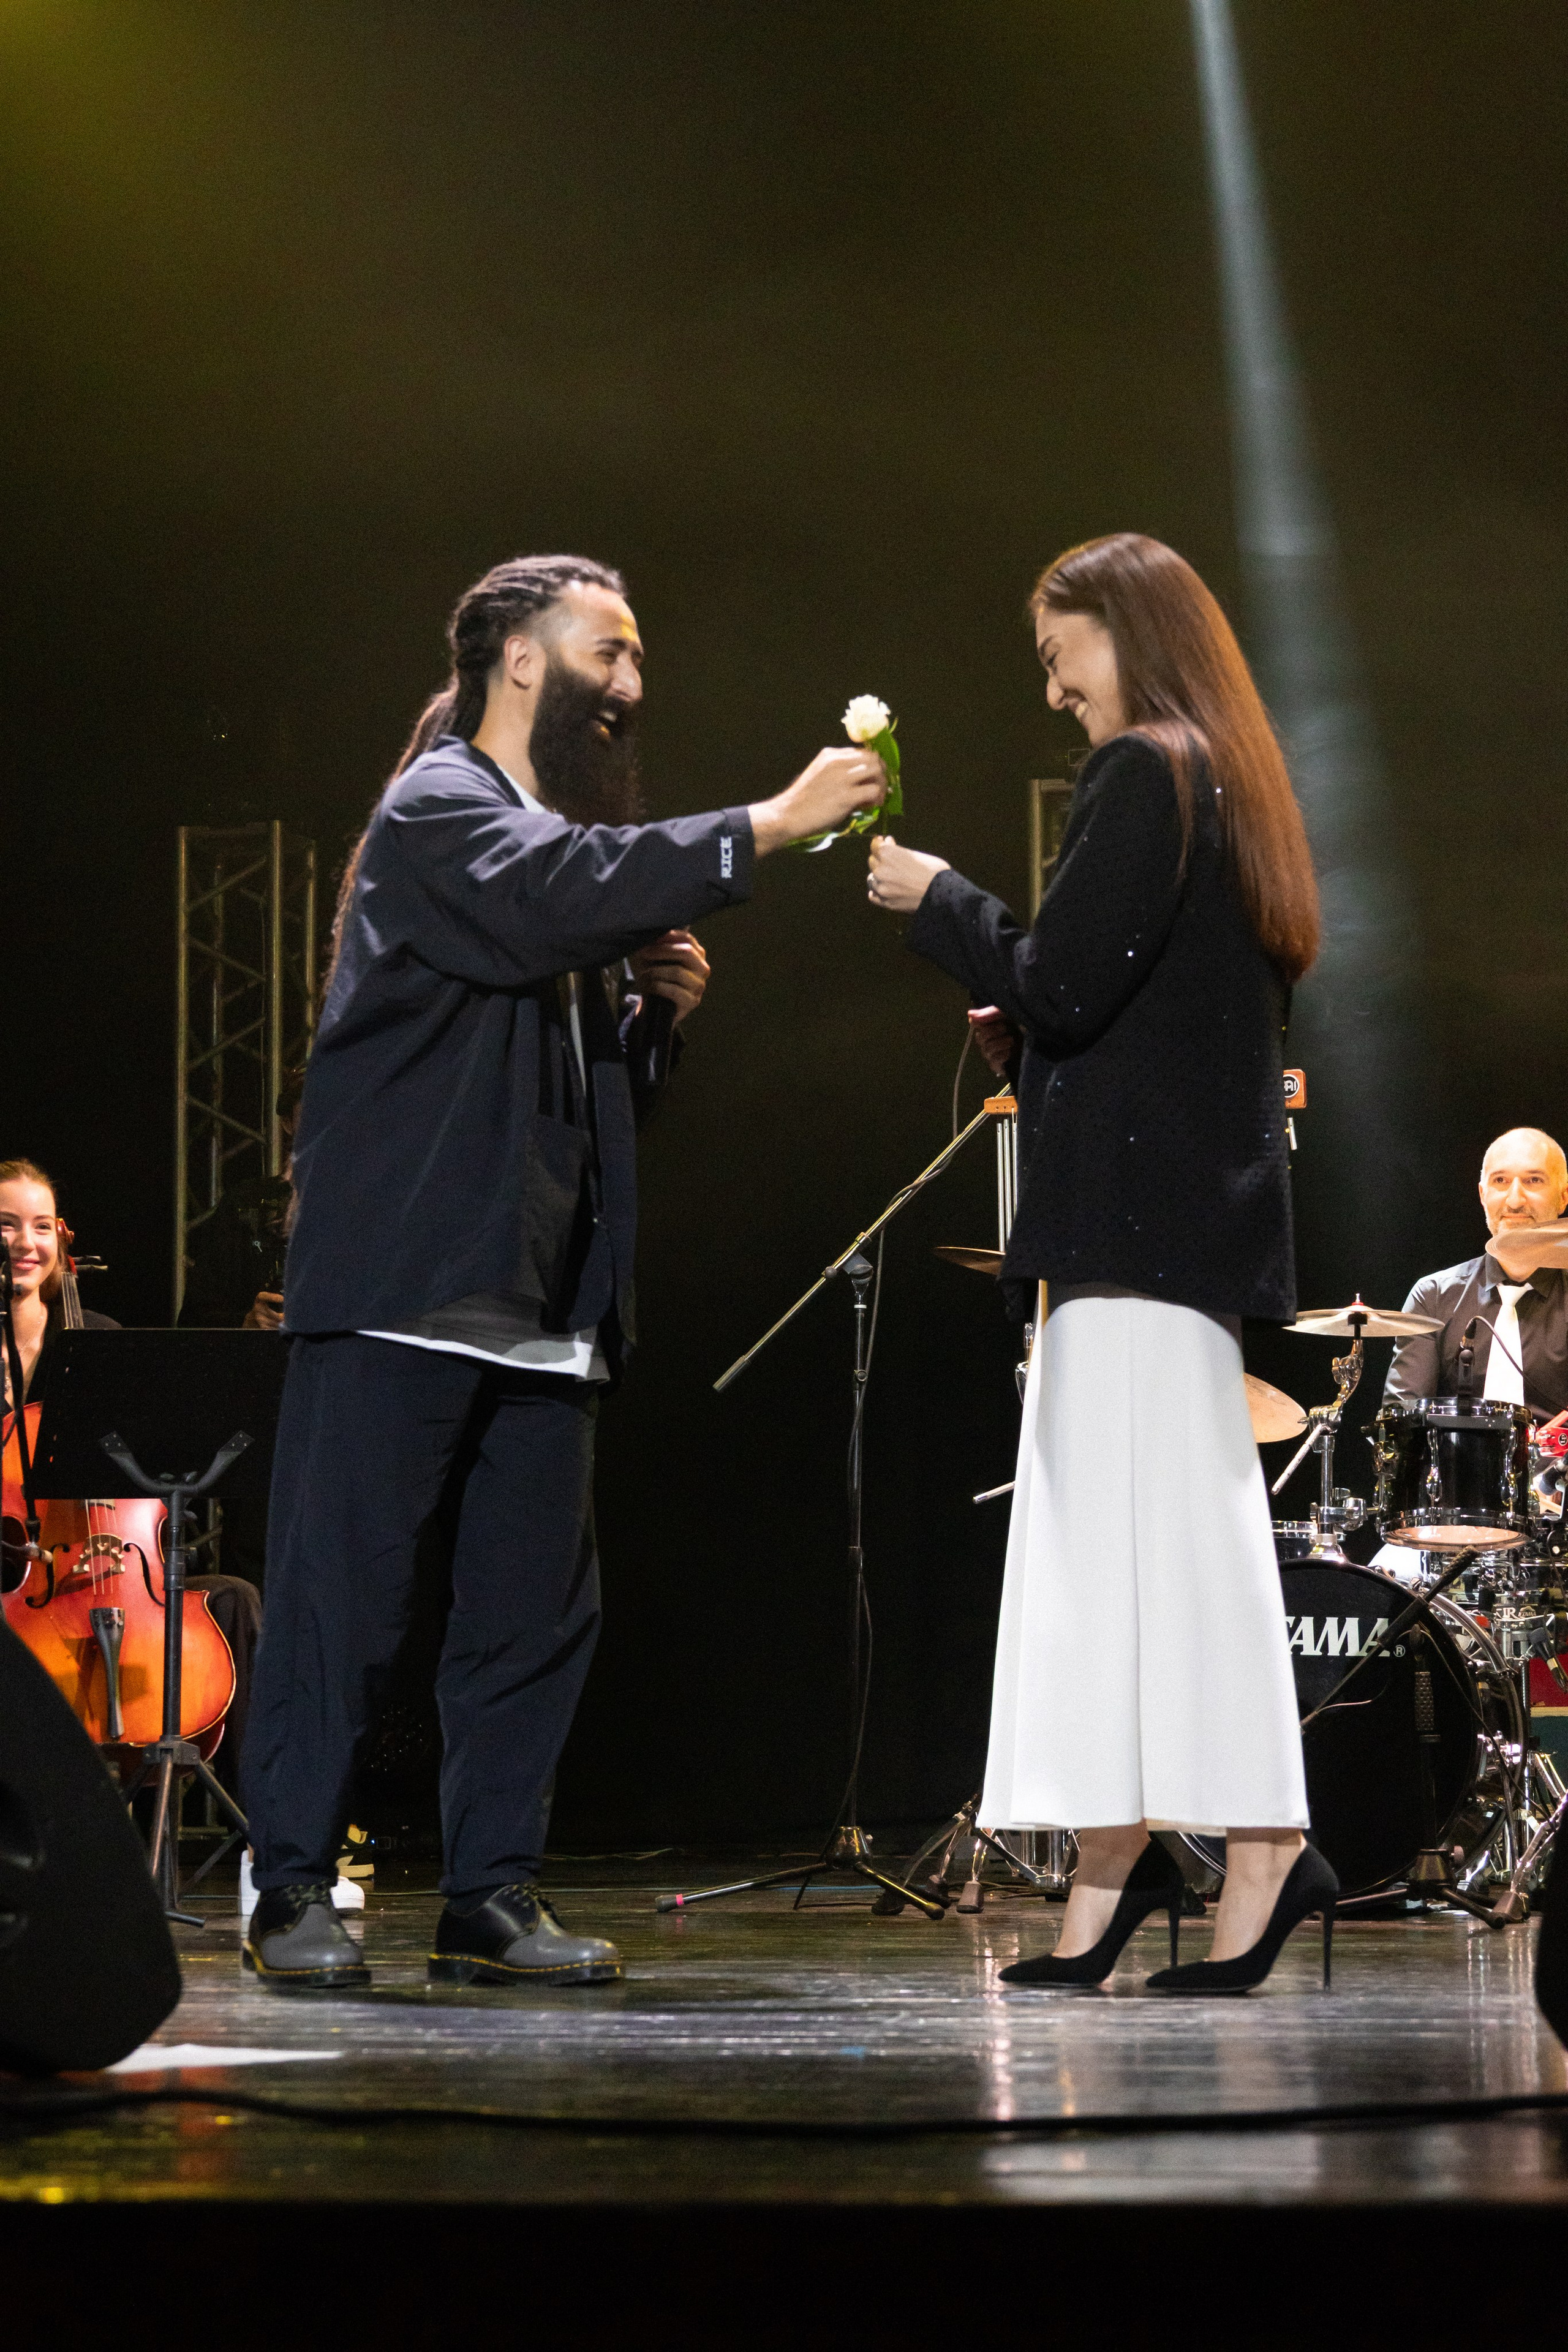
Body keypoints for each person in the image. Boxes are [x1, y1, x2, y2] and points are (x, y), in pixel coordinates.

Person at [242, 552, 886, 1992]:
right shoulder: (443, 811)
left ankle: (489, 1895)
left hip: (541, 1308)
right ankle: (288, 1884)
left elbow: (565, 1094)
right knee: (346, 1599)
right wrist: (762, 830)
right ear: (519, 659)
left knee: (529, 1618)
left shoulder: (545, 850)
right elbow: (549, 892)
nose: (632, 684)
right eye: (611, 650)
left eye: (638, 656)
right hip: (407, 1287)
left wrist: (649, 1024)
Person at [866, 531, 1336, 1994]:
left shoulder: (1144, 769)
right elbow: (1126, 1012)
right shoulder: (1220, 781)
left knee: (1143, 1561)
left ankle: (1254, 1846)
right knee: (1131, 1563)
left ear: (1117, 629)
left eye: (1055, 646)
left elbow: (1062, 980)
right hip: (1167, 1239)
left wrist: (942, 899)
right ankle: (1110, 1869)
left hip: (1134, 1241)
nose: (1051, 683)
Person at [0, 1158, 262, 1786]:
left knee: (236, 1603)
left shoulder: (103, 1341)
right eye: (5, 1225)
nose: (24, 1243)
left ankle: (275, 1845)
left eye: (40, 1226)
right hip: (19, 1585)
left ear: (62, 1241)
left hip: (119, 1573)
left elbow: (159, 1482)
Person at [1383, 1128, 1568, 1415]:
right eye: (1501, 1181)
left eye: (1534, 1180)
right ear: (1483, 1195)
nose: (1515, 1200)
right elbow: (1402, 1425)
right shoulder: (1432, 1297)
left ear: (1563, 1196)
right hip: (1454, 1461)